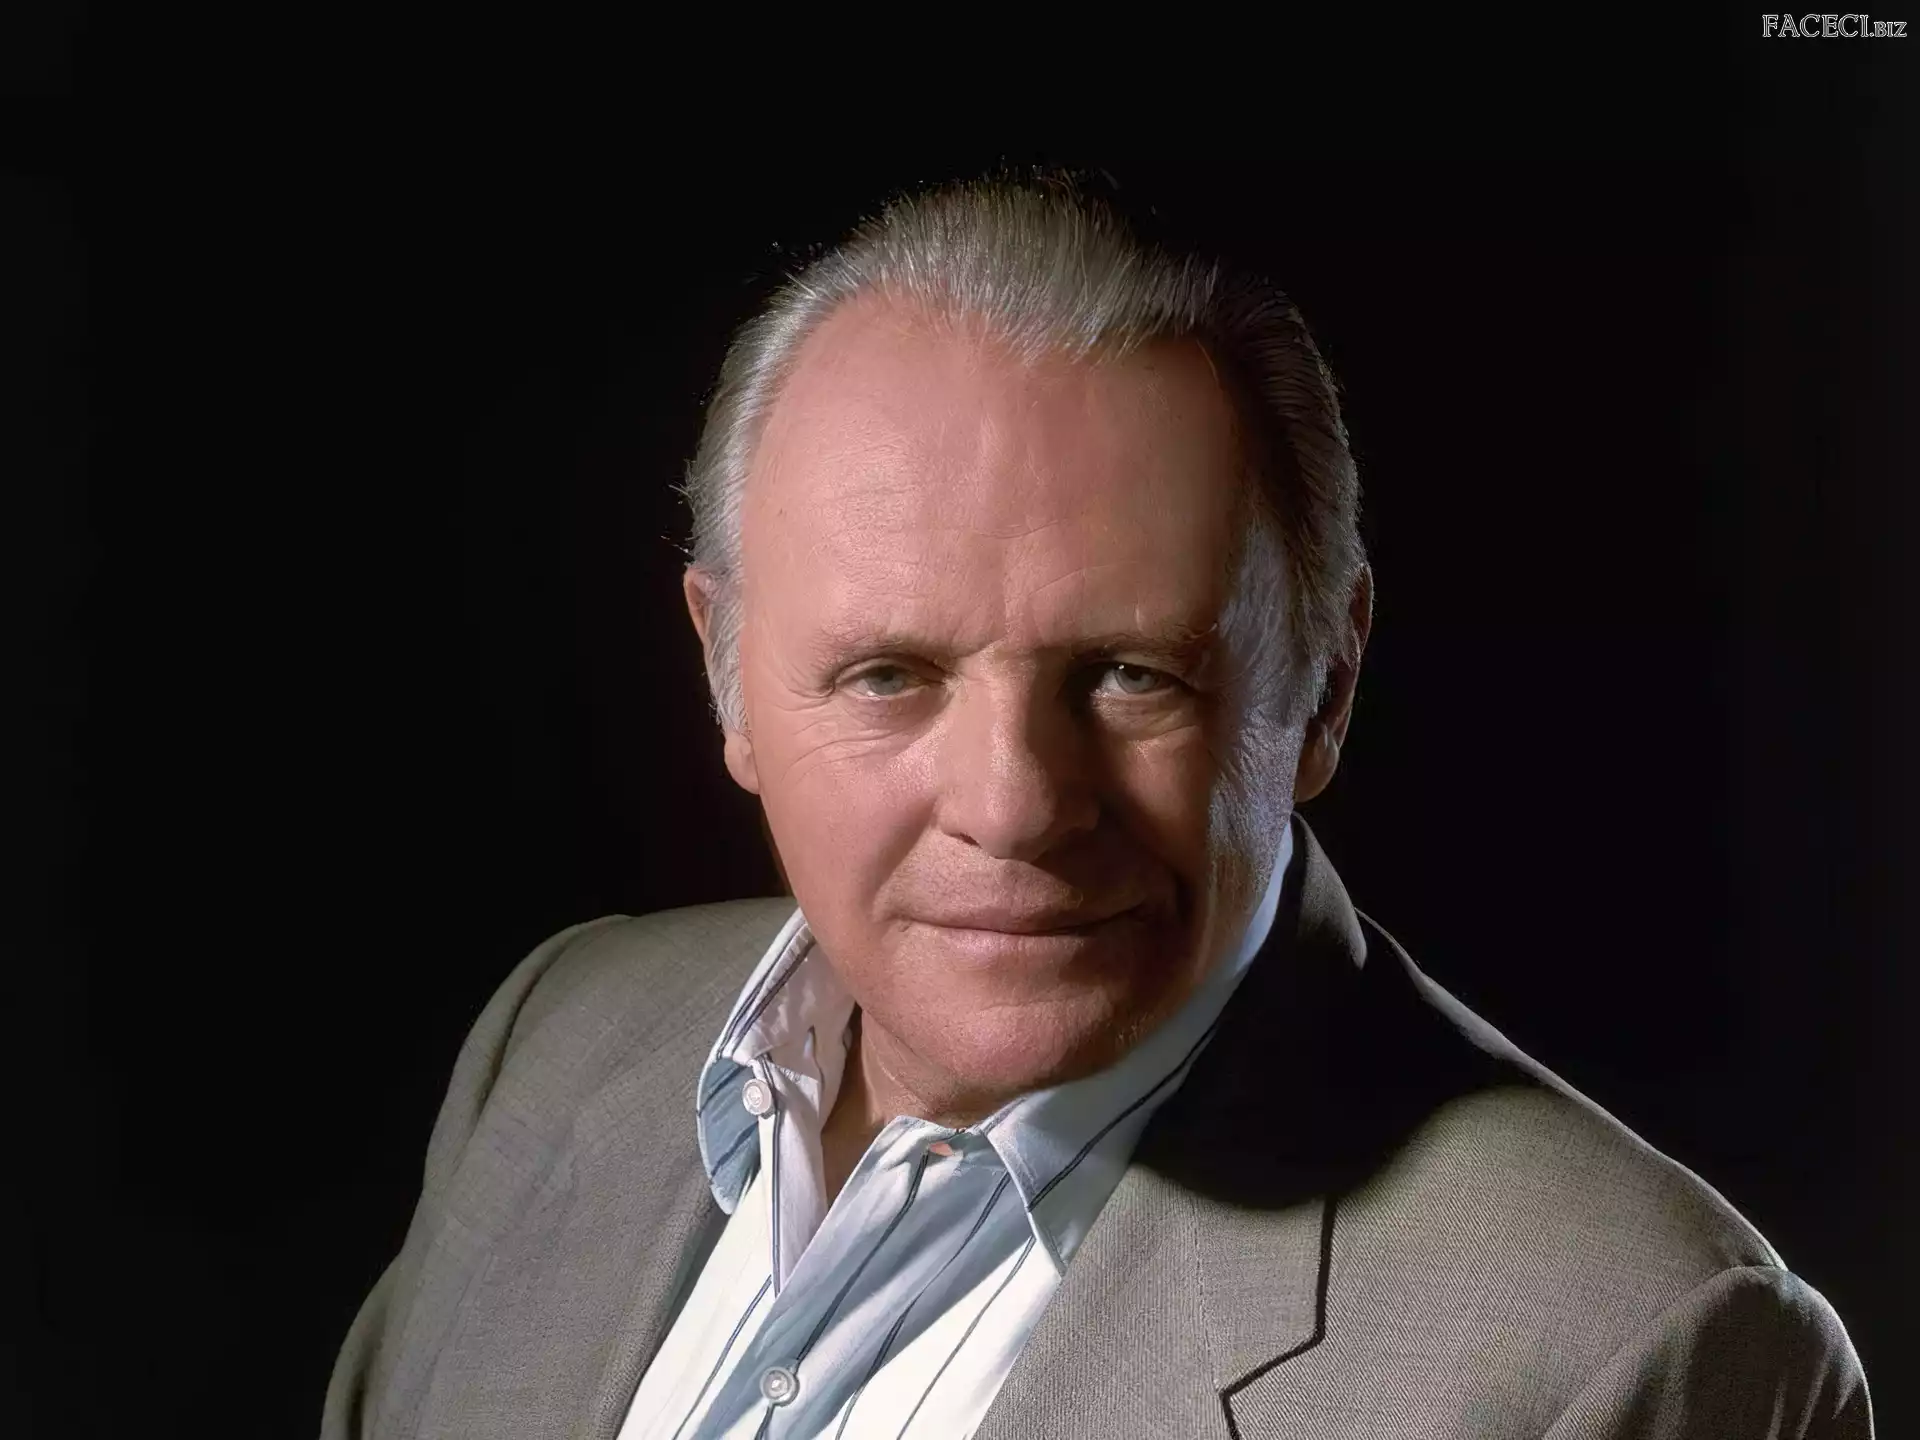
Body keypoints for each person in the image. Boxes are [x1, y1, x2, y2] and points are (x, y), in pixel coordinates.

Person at [321, 173, 1873, 1439]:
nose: (1015, 806)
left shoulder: (1628, 1348)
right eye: (887, 677)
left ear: (1325, 684)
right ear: (727, 676)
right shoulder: (555, 1043)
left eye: (1132, 675)